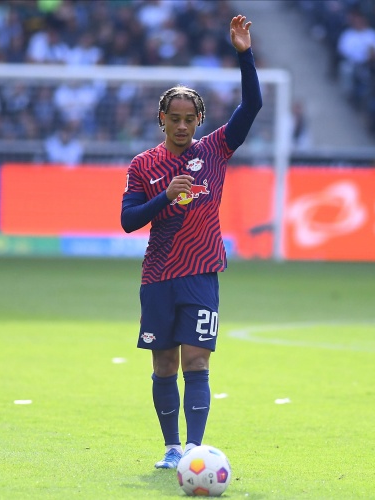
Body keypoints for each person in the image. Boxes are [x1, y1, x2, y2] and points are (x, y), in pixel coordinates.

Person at [120, 14, 262, 470]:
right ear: (162, 119)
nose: (182, 126)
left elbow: (252, 106)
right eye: (174, 119)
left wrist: (245, 54)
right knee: (164, 365)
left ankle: (195, 449)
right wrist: (165, 196)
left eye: (189, 119)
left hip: (202, 273)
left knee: (196, 363)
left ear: (200, 119)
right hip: (159, 276)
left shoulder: (216, 149)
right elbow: (128, 221)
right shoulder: (143, 165)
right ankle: (171, 448)